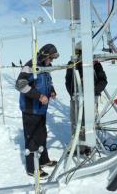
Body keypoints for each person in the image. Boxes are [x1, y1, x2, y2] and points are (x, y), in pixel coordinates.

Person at [15, 44, 59, 177]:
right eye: (50, 58)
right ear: (44, 55)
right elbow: (20, 85)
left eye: (52, 59)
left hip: (41, 109)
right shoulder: (30, 66)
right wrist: (39, 96)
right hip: (30, 109)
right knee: (33, 138)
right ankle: (32, 168)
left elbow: (48, 82)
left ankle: (43, 160)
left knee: (42, 135)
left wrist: (52, 91)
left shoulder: (46, 67)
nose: (51, 61)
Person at [65, 43, 108, 155]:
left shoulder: (95, 64)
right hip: (75, 98)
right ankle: (77, 145)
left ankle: (88, 145)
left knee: (89, 122)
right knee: (76, 122)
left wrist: (93, 91)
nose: (77, 54)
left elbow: (103, 81)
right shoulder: (72, 64)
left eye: (78, 52)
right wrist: (72, 94)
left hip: (91, 99)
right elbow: (68, 80)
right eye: (76, 52)